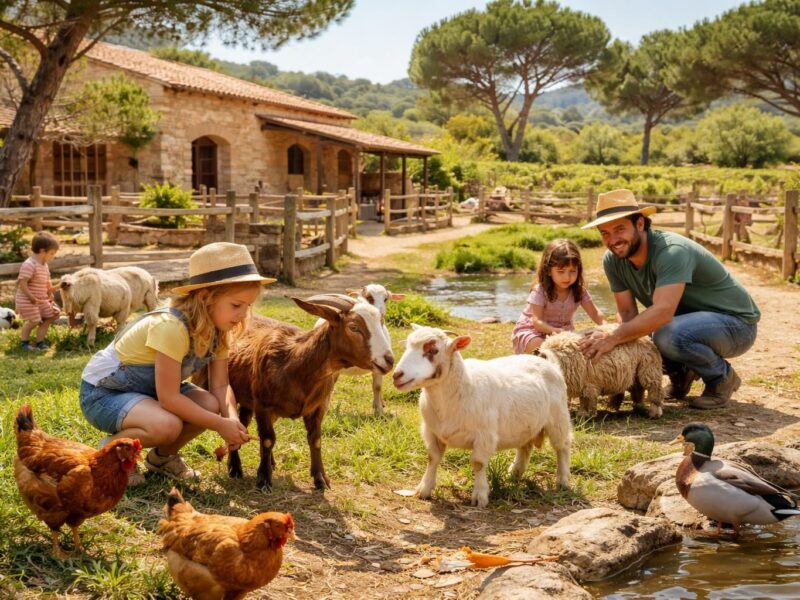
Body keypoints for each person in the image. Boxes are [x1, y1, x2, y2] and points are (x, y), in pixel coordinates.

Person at [79, 242, 276, 483]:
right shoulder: (171, 327)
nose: (243, 314)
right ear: (205, 298)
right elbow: (169, 398)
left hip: (148, 392)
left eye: (248, 306)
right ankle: (111, 450)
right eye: (236, 305)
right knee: (167, 425)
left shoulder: (219, 331)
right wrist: (219, 425)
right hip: (105, 393)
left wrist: (231, 419)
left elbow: (221, 386)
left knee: (209, 403)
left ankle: (162, 458)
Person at [579, 189, 760, 410]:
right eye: (605, 233)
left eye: (619, 229)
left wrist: (612, 338)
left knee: (663, 333)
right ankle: (680, 376)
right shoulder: (613, 260)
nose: (612, 240)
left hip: (736, 325)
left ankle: (722, 378)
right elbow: (627, 314)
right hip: (686, 324)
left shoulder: (671, 251)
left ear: (640, 224)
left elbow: (663, 312)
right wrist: (610, 336)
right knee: (642, 335)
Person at [512, 238, 607, 354]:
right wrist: (555, 331)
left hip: (563, 333)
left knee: (589, 340)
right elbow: (537, 322)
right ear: (548, 270)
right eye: (561, 271)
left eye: (572, 271)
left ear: (579, 269)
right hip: (534, 331)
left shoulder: (579, 291)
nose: (567, 277)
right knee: (542, 347)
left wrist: (607, 328)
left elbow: (595, 313)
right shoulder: (540, 291)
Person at [15, 231, 60, 351]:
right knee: (34, 321)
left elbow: (47, 284)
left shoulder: (44, 265)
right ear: (42, 251)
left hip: (40, 300)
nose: (53, 256)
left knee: (52, 315)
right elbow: (22, 284)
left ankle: (40, 342)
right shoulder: (30, 264)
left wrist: (56, 289)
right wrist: (31, 298)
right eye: (51, 253)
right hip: (28, 300)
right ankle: (24, 342)